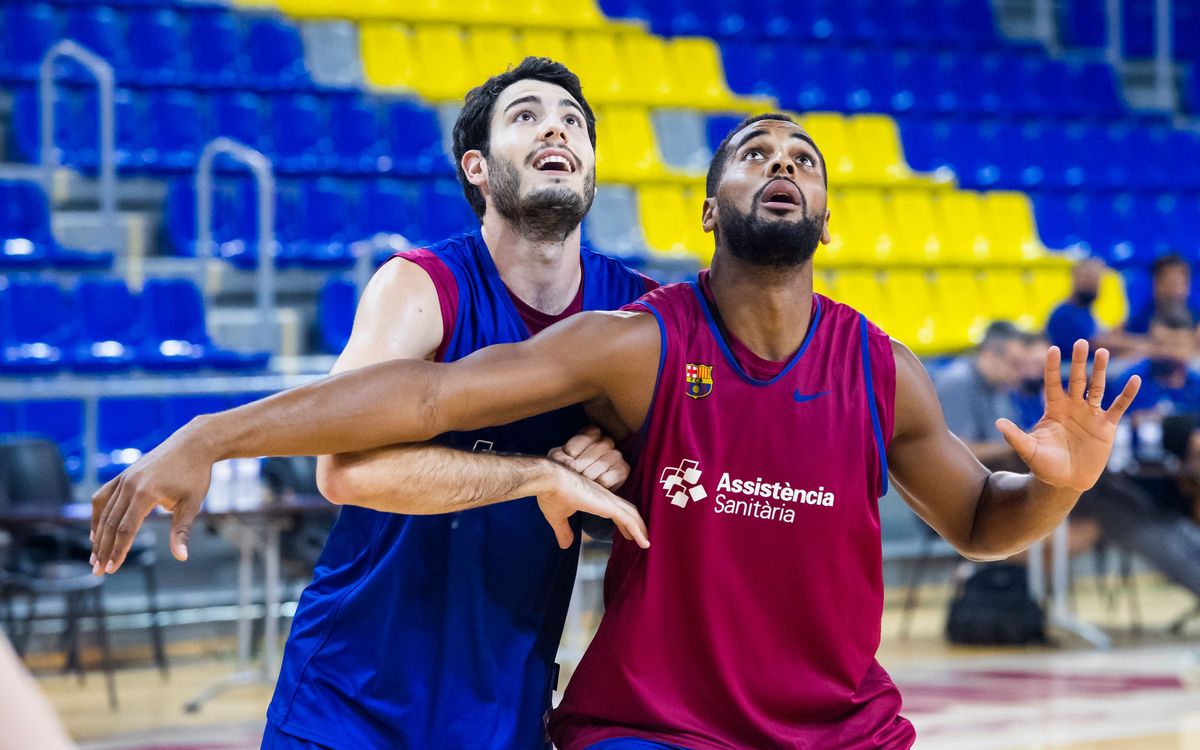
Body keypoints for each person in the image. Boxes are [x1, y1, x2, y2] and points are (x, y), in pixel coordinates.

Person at [89, 114, 1141, 749]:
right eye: (755, 154)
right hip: (655, 729)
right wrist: (212, 434)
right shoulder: (636, 342)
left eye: (804, 160)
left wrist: (1060, 483)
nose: (782, 163)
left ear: (826, 218)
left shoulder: (880, 369)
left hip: (841, 729)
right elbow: (424, 400)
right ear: (709, 210)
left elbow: (979, 521)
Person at [107, 57, 654, 750]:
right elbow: (344, 472)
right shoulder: (420, 285)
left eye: (573, 121)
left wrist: (615, 465)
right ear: (479, 169)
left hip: (502, 702)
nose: (557, 129)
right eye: (527, 116)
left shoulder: (638, 312)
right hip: (350, 698)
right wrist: (541, 475)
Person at [932, 321, 1028, 471]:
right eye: (1014, 364)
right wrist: (1015, 445)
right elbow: (954, 452)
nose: (1019, 373)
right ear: (990, 354)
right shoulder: (956, 383)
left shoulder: (999, 386)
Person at [1109, 310, 1200, 418]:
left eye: (1176, 345)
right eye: (1160, 344)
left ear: (1191, 347)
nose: (1167, 352)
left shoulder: (1196, 384)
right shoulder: (1128, 382)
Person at [1046, 257, 1142, 357]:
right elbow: (1094, 343)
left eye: (1097, 280)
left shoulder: (1086, 313)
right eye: (1089, 278)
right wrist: (1139, 345)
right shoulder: (1065, 314)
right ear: (1074, 277)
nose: (1092, 285)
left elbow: (1102, 336)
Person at [1122, 254, 1199, 336]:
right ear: (1156, 285)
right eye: (1170, 282)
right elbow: (1123, 336)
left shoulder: (1195, 317)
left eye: (1181, 283)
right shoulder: (1143, 320)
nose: (1175, 290)